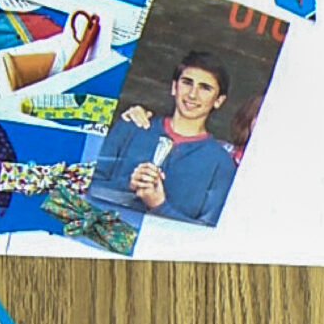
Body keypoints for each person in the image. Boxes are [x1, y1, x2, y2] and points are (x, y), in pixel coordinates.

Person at [92, 52, 240, 226]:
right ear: (174, 87)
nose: (193, 95)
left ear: (218, 101)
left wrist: (160, 206)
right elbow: (83, 184)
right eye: (187, 83)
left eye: (205, 88)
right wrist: (128, 185)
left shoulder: (221, 165)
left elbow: (206, 234)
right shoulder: (130, 127)